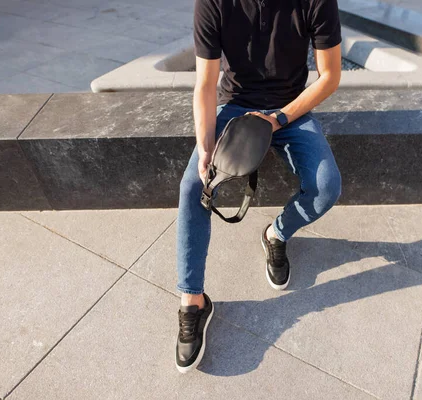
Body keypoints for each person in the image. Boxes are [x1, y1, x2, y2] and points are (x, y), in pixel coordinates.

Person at [175, 0, 343, 373]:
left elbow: (330, 76)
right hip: (234, 106)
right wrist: (205, 149)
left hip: (291, 110)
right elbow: (205, 83)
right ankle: (193, 301)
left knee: (327, 187)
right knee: (192, 187)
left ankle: (276, 235)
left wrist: (278, 119)